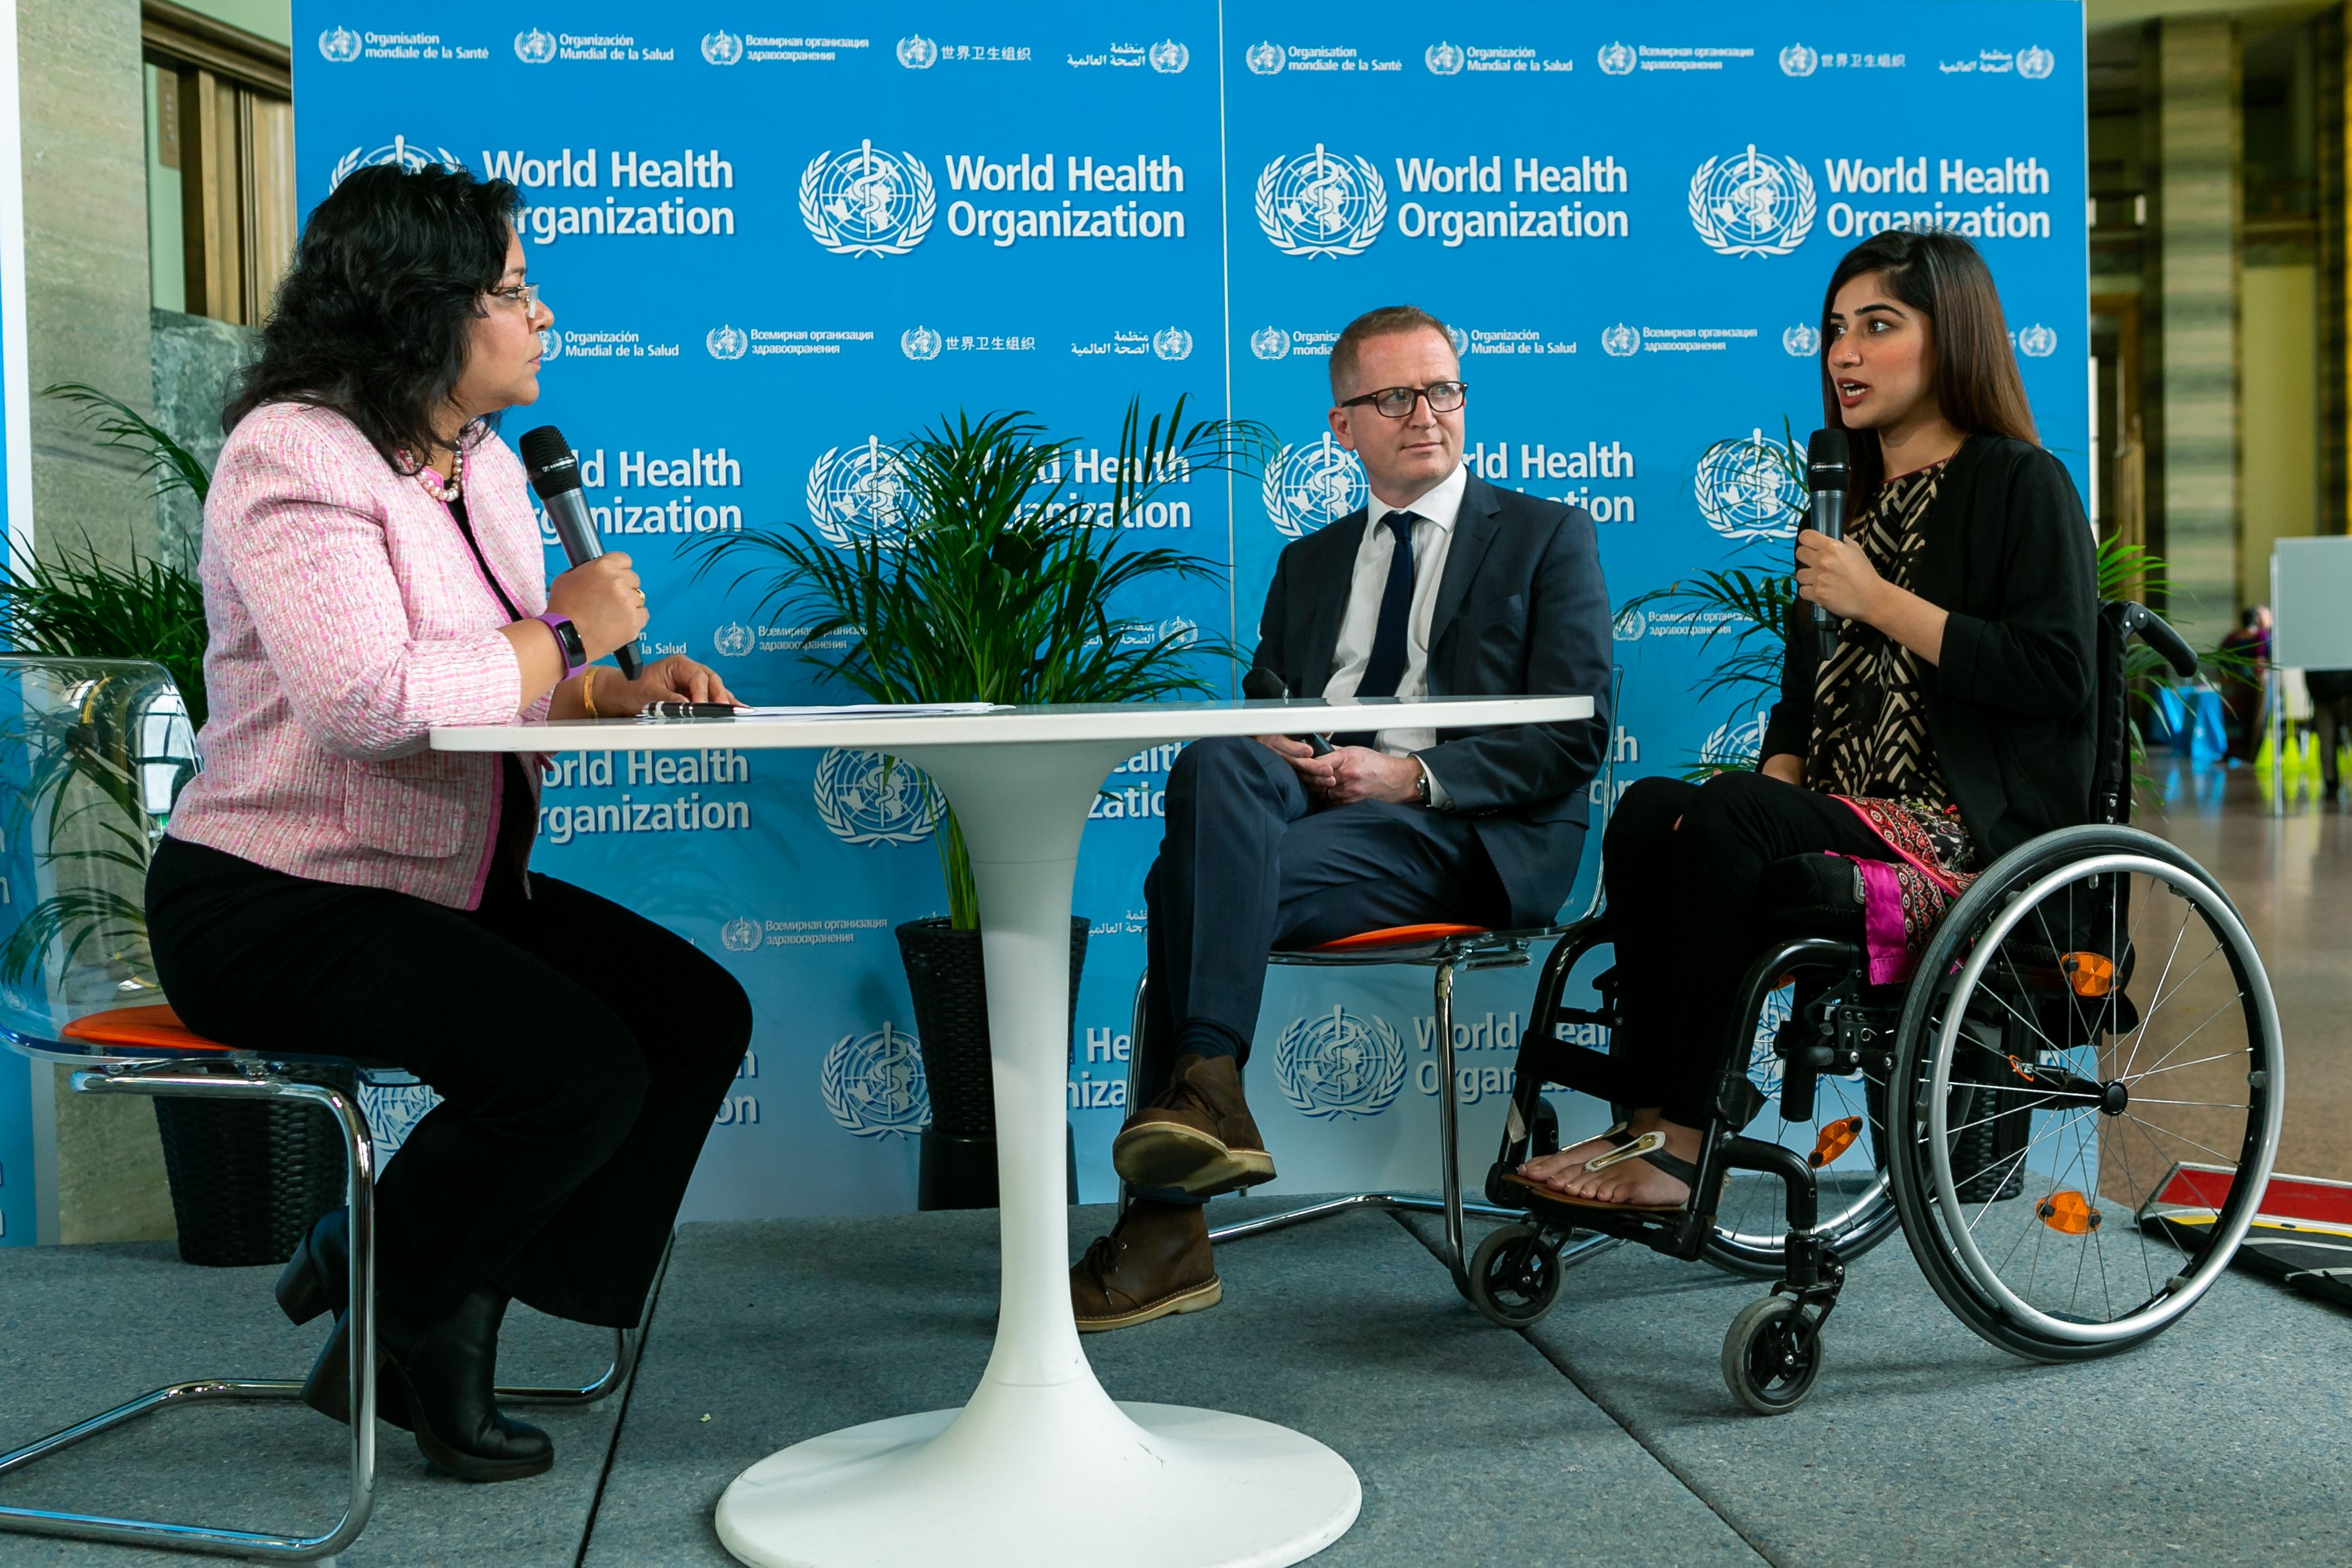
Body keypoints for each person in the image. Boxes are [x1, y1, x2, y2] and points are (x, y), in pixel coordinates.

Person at [144, 163, 752, 1483]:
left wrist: (608, 685)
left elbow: (496, 682)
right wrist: (559, 636)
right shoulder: (292, 455)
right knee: (570, 1067)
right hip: (272, 897)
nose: (543, 319)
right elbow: (369, 700)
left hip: (435, 882)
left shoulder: (472, 467)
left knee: (693, 1016)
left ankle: (404, 1270)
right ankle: (416, 1308)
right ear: (421, 308)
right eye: (516, 292)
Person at [1518, 230, 2095, 1209]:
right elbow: (1803, 693)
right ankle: (1643, 1118)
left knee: (1726, 817)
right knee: (1650, 808)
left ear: (1949, 338)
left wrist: (1877, 599)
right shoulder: (1845, 514)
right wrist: (1779, 763)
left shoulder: (2017, 482)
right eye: (1835, 330)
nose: (1844, 355)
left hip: (1959, 834)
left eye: (1878, 326)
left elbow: (2056, 674)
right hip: (1845, 809)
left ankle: (1687, 1140)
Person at [1069, 304, 1613, 1329]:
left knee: (1184, 882)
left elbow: (1572, 734)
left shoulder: (1545, 537)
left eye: (1443, 389)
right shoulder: (1307, 561)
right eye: (1394, 396)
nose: (1425, 414)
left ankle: (1168, 1212)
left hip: (1464, 832)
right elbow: (1273, 694)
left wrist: (1407, 779)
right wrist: (1281, 741)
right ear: (1342, 426)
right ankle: (1210, 1093)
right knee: (1220, 760)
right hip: (1311, 806)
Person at [2218, 607, 2273, 762]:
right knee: (2251, 720)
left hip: (2241, 685)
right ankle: (2248, 753)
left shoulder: (2232, 638)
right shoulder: (2261, 637)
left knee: (2239, 719)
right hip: (2247, 685)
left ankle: (2240, 752)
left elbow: (2221, 660)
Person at [2308, 668, 2351, 804]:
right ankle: (2331, 784)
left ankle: (2331, 784)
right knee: (2326, 743)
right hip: (2337, 694)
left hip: (2327, 694)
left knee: (2326, 742)